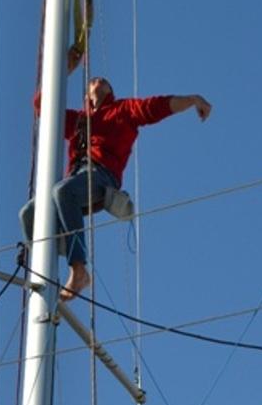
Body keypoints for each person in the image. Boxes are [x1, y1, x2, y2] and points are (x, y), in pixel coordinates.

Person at [20, 48, 212, 301]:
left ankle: (78, 270)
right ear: (87, 94)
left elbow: (156, 106)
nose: (96, 81)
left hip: (101, 176)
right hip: (76, 178)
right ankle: (45, 272)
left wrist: (193, 100)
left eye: (103, 81)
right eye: (91, 81)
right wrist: (65, 69)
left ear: (110, 91)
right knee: (28, 213)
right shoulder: (78, 120)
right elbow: (41, 107)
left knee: (61, 191)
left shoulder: (123, 110)